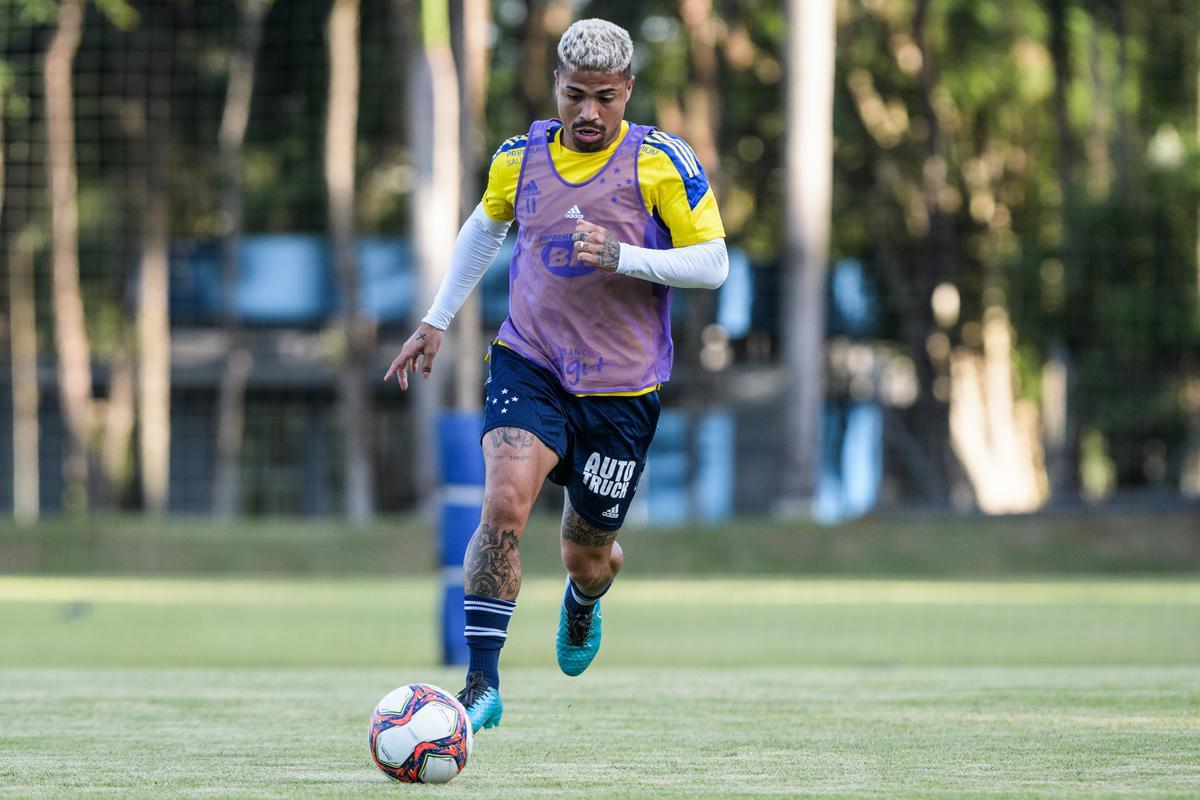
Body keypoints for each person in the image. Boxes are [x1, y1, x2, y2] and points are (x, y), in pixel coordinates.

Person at [385, 17, 727, 733]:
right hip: (530, 362)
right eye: (575, 95)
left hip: (622, 390)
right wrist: (437, 318)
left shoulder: (661, 161)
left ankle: (585, 599)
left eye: (605, 96)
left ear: (628, 90)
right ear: (556, 88)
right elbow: (486, 226)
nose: (589, 112)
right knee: (504, 502)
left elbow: (712, 263)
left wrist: (624, 256)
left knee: (584, 555)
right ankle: (481, 687)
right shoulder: (520, 157)